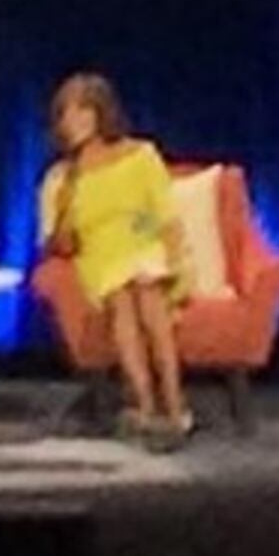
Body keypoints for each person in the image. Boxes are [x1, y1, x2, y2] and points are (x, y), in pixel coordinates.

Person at [38, 72, 194, 445]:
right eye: (65, 114)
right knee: (121, 295)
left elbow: (164, 217)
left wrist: (173, 260)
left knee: (146, 290)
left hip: (146, 249)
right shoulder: (59, 177)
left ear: (100, 113)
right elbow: (57, 246)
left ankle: (174, 406)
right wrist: (64, 208)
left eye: (81, 111)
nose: (72, 122)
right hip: (101, 261)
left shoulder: (141, 155)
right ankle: (146, 406)